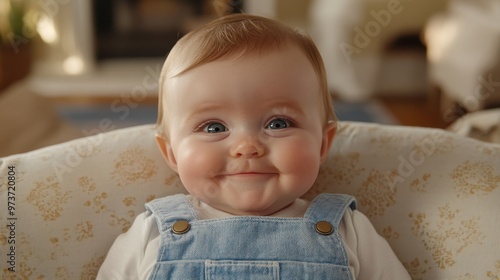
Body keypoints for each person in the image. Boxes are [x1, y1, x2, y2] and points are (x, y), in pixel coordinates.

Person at [97, 14, 411, 279]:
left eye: (278, 124)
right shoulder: (152, 231)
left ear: (322, 145)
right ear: (171, 154)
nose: (247, 147)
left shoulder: (348, 230)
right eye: (214, 127)